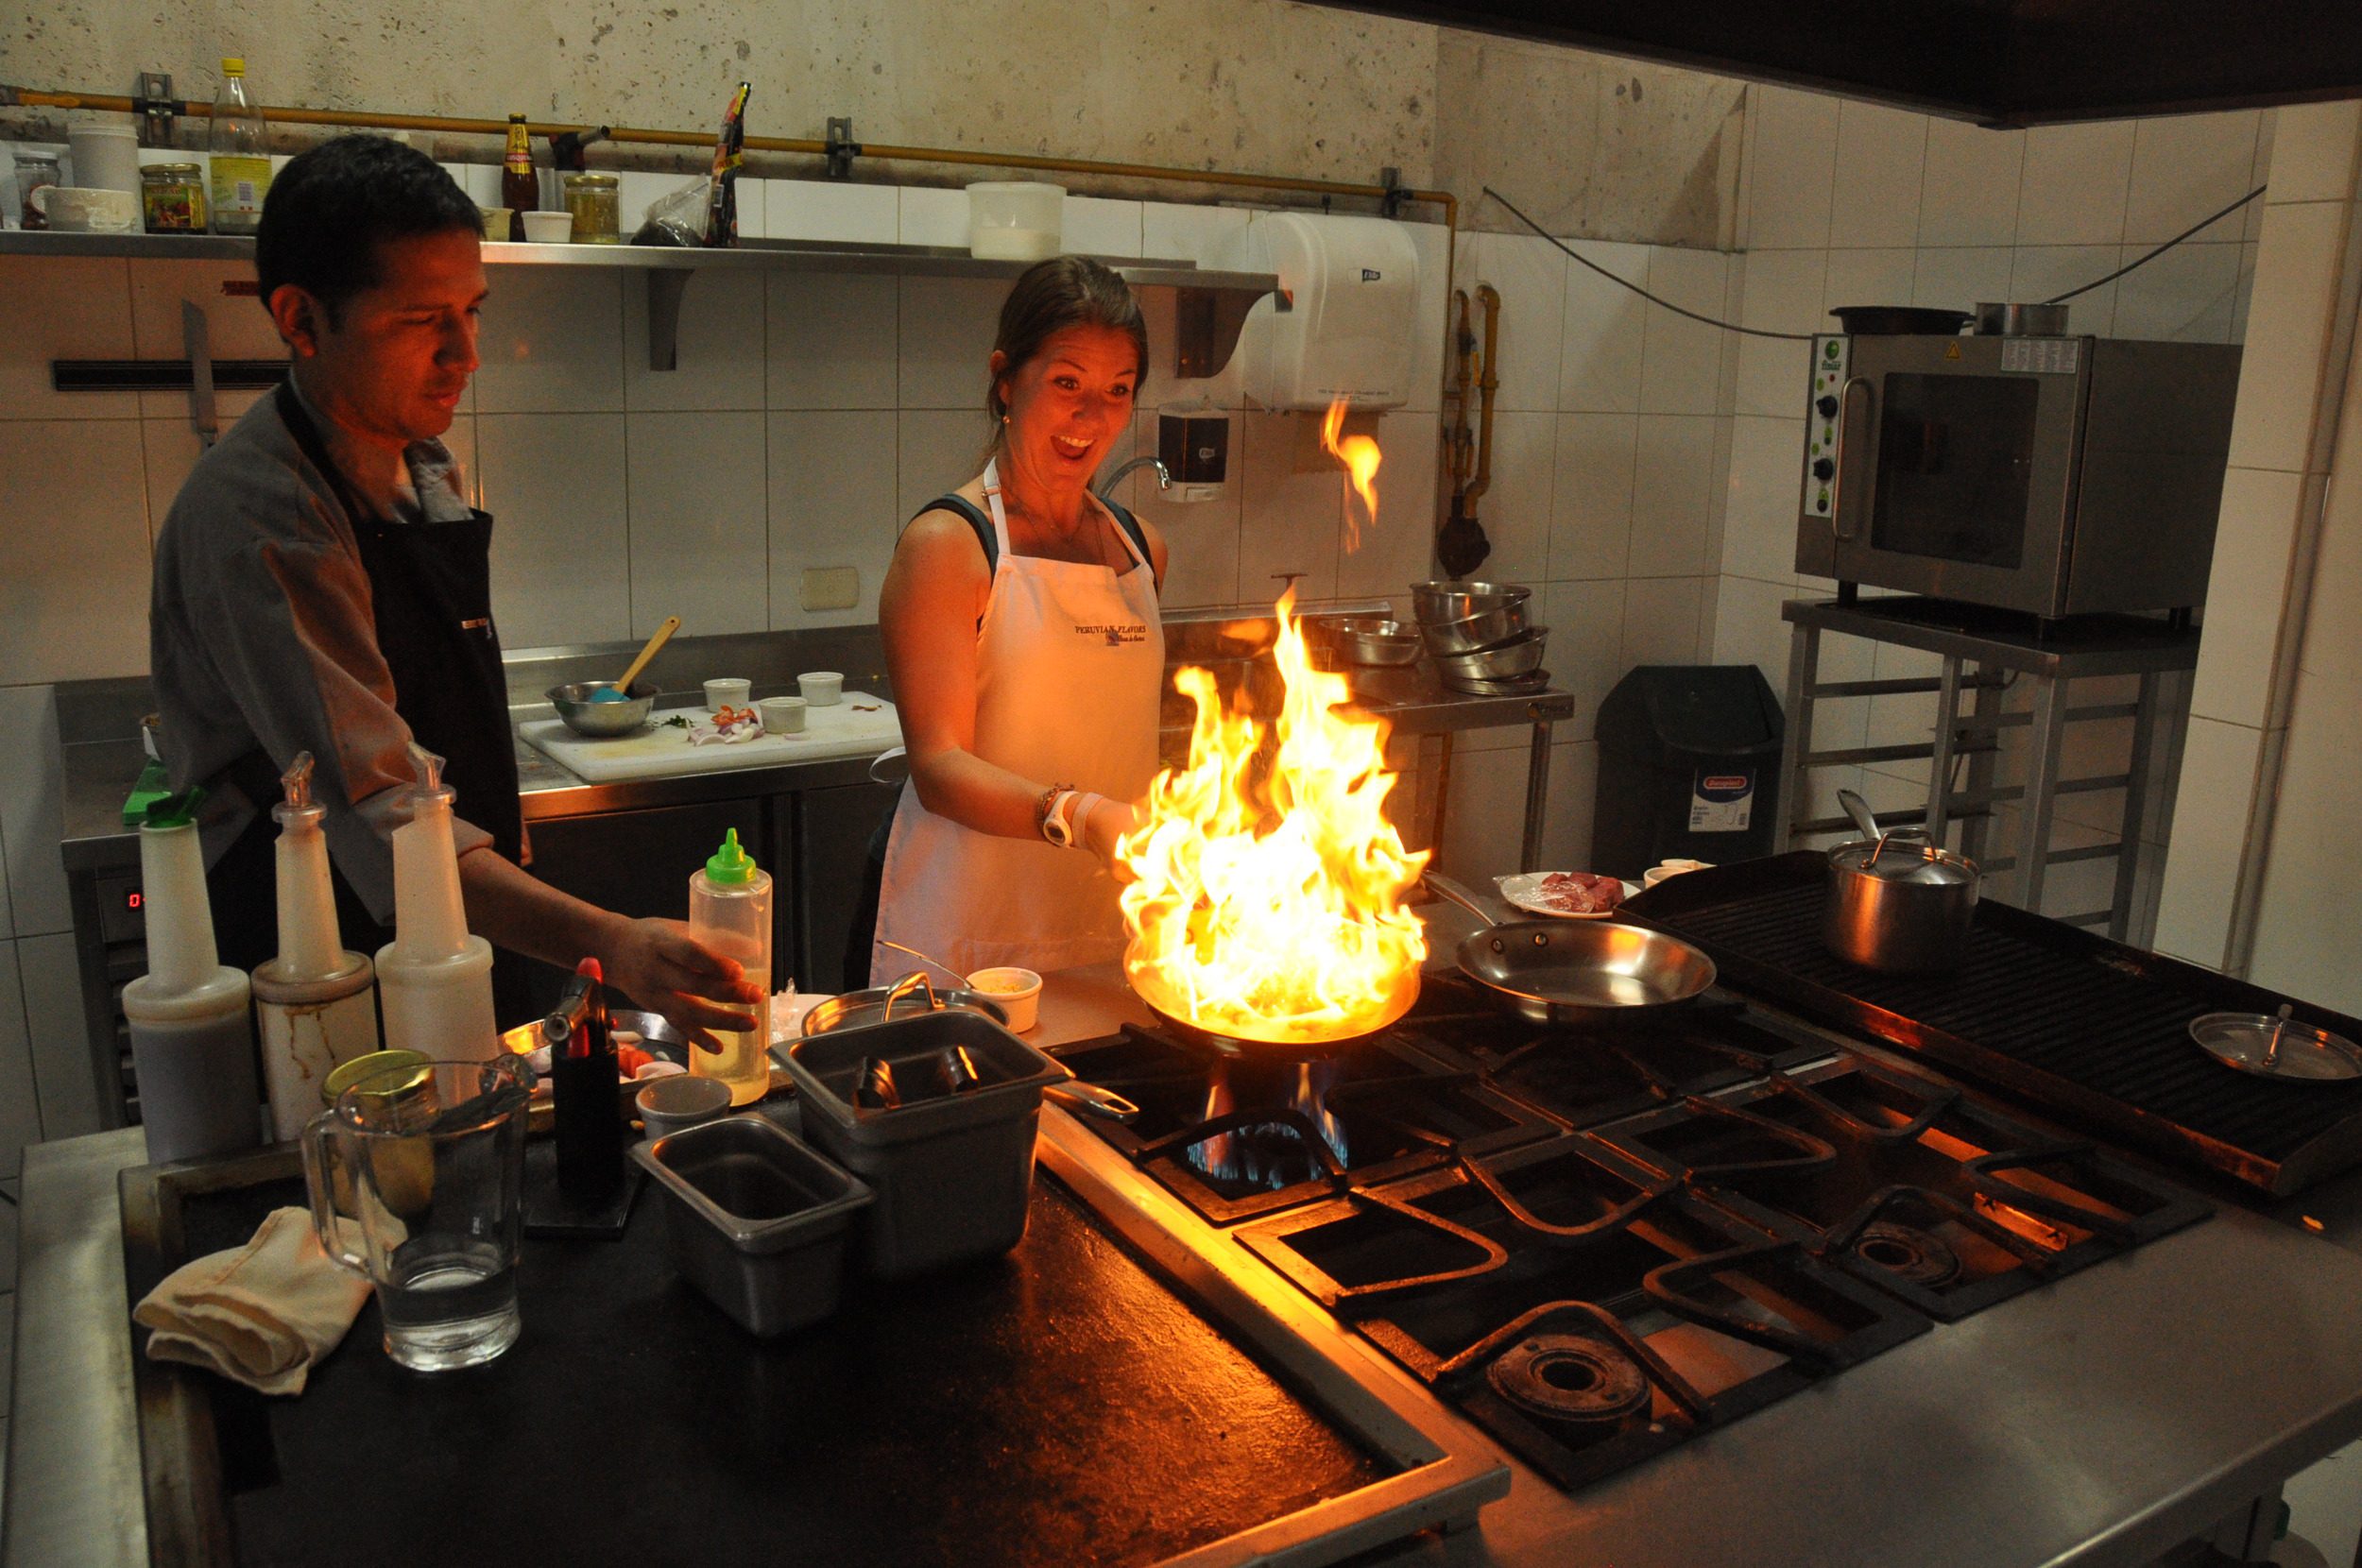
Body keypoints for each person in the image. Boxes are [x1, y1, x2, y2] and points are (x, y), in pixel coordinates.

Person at [149, 134, 759, 1045]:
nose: (465, 353)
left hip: (451, 919)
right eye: (419, 321)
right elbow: (382, 809)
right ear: (302, 319)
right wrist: (611, 944)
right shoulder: (266, 518)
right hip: (330, 968)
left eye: (472, 309)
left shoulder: (422, 464)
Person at [858, 256, 1168, 985]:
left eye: (1117, 392)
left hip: (1107, 927)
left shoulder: (1142, 551)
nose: (1091, 420)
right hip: (968, 933)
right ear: (1006, 378)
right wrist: (1084, 816)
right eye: (1067, 384)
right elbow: (938, 767)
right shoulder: (951, 545)